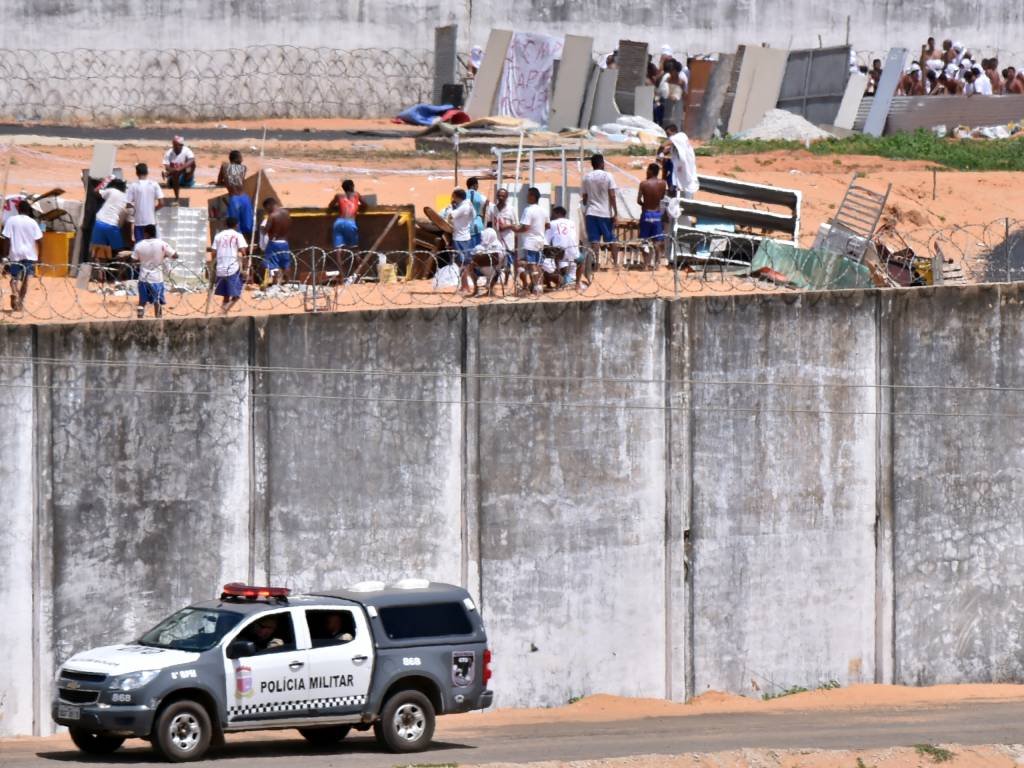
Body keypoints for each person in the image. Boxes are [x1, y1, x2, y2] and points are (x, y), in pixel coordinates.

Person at [1, 200, 42, 311]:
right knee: (26, 280)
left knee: (14, 278)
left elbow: (6, 238)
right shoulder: (32, 222)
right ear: (28, 210)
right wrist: (40, 256)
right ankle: (21, 303)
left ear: (18, 210)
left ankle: (14, 292)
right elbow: (39, 240)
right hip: (30, 254)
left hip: (15, 253)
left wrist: (4, 255)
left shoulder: (11, 220)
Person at [581, 153, 619, 267]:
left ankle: (595, 263)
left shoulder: (587, 177)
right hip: (605, 213)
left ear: (592, 164)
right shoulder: (608, 176)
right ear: (602, 163)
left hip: (591, 212)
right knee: (611, 239)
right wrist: (615, 213)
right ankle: (616, 264)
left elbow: (584, 198)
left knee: (595, 240)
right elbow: (612, 195)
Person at [133, 224, 177, 319]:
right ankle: (158, 321)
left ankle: (140, 319)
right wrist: (163, 256)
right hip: (157, 279)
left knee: (142, 301)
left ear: (146, 233)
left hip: (143, 278)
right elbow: (175, 255)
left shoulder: (139, 245)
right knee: (157, 302)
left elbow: (133, 259)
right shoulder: (162, 244)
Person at [208, 216, 247, 313]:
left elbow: (213, 252)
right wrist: (245, 268)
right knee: (237, 294)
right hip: (232, 268)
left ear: (225, 224)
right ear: (237, 225)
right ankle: (224, 311)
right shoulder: (238, 235)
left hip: (220, 268)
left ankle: (223, 313)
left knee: (226, 294)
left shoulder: (218, 236)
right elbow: (243, 251)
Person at [514, 186, 547, 295]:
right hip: (540, 240)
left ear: (532, 197)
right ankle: (538, 286)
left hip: (530, 241)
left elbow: (525, 227)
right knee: (538, 264)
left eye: (528, 195)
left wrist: (512, 228)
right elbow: (548, 225)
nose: (527, 197)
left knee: (531, 264)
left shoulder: (528, 210)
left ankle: (536, 287)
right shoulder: (543, 210)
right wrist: (538, 229)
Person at [637, 163, 668, 270]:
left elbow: (638, 200)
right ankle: (657, 264)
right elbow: (662, 197)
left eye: (647, 170)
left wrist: (645, 205)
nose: (646, 172)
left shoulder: (643, 184)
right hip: (656, 214)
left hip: (646, 214)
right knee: (657, 241)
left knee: (644, 241)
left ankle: (645, 264)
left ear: (650, 171)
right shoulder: (663, 184)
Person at [125, 163, 163, 244]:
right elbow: (162, 203)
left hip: (139, 222)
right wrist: (153, 210)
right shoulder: (154, 184)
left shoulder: (133, 186)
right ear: (147, 172)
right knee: (152, 246)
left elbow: (128, 204)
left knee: (140, 247)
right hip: (151, 222)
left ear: (137, 173)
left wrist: (136, 210)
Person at [90, 177, 129, 255]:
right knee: (119, 250)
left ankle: (100, 265)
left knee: (99, 251)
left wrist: (103, 183)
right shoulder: (126, 197)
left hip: (99, 221)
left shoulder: (112, 191)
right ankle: (118, 265)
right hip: (112, 225)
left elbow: (95, 192)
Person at [546, 205, 581, 290]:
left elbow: (546, 241)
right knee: (581, 260)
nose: (551, 216)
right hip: (573, 250)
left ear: (558, 213)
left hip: (559, 251)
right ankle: (578, 283)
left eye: (553, 214)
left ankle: (559, 282)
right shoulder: (572, 222)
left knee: (551, 260)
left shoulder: (552, 223)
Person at [260, 198, 292, 286]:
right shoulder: (286, 213)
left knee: (272, 263)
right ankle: (287, 282)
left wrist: (262, 229)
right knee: (286, 263)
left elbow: (265, 231)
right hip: (285, 243)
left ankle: (275, 283)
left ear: (269, 205)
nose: (266, 211)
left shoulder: (272, 216)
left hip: (274, 243)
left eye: (266, 209)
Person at [327, 179, 365, 252]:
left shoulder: (338, 196)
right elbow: (365, 205)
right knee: (354, 247)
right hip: (350, 222)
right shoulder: (356, 195)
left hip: (339, 222)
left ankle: (339, 263)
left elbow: (330, 207)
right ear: (352, 186)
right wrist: (360, 209)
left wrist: (335, 209)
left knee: (339, 248)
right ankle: (359, 262)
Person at [447, 188, 476, 265]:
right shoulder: (468, 205)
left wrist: (450, 207)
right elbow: (474, 215)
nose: (453, 199)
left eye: (453, 197)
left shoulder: (463, 207)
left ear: (457, 197)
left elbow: (450, 216)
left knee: (460, 262)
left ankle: (461, 276)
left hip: (459, 237)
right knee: (465, 261)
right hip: (465, 235)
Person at [163, 136, 196, 201]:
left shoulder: (187, 150)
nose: (174, 147)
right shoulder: (169, 152)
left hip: (186, 176)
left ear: (181, 145)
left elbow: (192, 160)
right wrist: (175, 170)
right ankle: (177, 198)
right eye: (173, 145)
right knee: (175, 174)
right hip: (173, 178)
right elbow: (166, 165)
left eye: (176, 145)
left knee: (192, 165)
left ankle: (185, 178)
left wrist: (180, 169)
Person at [466, 177, 487, 244]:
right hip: (478, 225)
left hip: (465, 226)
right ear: (474, 185)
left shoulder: (463, 195)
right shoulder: (481, 196)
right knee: (477, 250)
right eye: (477, 185)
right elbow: (486, 207)